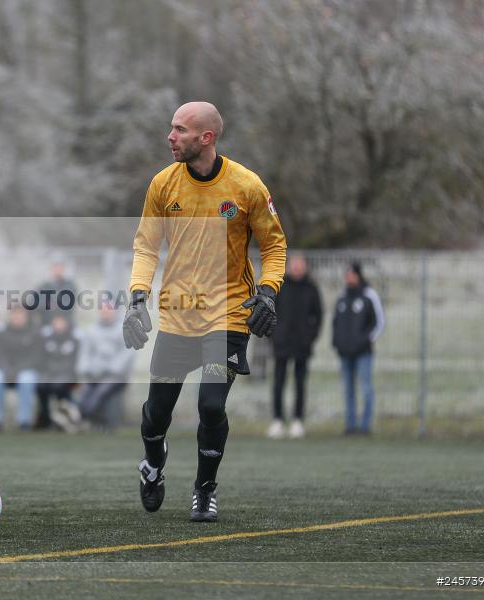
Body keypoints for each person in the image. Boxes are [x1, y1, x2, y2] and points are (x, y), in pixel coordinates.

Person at [124, 102, 286, 522]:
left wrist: (268, 292)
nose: (170, 136)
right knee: (157, 411)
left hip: (229, 315)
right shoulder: (163, 184)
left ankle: (205, 488)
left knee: (211, 406)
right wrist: (138, 295)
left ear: (206, 138)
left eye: (179, 130)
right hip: (178, 315)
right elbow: (145, 245)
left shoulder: (246, 186)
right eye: (171, 128)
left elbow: (274, 245)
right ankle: (153, 465)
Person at [267, 254, 322, 440]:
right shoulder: (279, 287)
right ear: (289, 266)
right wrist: (273, 337)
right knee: (279, 383)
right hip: (281, 344)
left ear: (305, 267)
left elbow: (318, 315)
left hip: (302, 345)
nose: (298, 268)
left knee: (300, 384)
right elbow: (269, 312)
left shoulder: (311, 288)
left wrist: (310, 337)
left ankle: (298, 421)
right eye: (295, 265)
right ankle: (277, 420)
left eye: (301, 265)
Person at [332, 262, 385, 435]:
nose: (348, 278)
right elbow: (336, 323)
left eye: (351, 274)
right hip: (345, 352)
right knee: (348, 390)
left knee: (366, 388)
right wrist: (337, 342)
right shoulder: (342, 297)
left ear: (358, 275)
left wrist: (365, 340)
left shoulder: (369, 295)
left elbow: (379, 323)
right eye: (346, 275)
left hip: (363, 352)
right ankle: (350, 425)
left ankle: (365, 426)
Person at [77, 300, 133, 430]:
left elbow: (127, 354)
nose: (106, 313)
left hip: (116, 377)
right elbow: (85, 354)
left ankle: (83, 417)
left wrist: (110, 369)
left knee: (101, 392)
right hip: (94, 375)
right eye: (103, 310)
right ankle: (89, 420)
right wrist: (86, 369)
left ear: (115, 311)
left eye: (109, 309)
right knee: (85, 391)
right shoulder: (91, 331)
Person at [0, 304, 40, 431]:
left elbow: (36, 357)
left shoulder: (34, 333)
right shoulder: (2, 333)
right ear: (10, 316)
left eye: (20, 315)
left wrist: (17, 371)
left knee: (26, 379)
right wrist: (8, 370)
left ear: (26, 317)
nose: (17, 318)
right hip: (6, 370)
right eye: (14, 315)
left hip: (26, 370)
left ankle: (24, 421)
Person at [35, 314, 81, 432]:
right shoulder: (47, 339)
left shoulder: (73, 339)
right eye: (56, 322)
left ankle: (68, 418)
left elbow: (73, 362)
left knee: (58, 386)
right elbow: (42, 360)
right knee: (41, 386)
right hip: (50, 373)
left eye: (61, 322)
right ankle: (45, 418)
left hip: (67, 374)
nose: (58, 325)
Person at [36, 255, 78, 326]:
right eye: (55, 267)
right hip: (47, 324)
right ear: (51, 269)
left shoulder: (70, 286)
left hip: (66, 326)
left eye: (60, 267)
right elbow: (37, 305)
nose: (58, 270)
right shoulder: (43, 287)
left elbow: (67, 305)